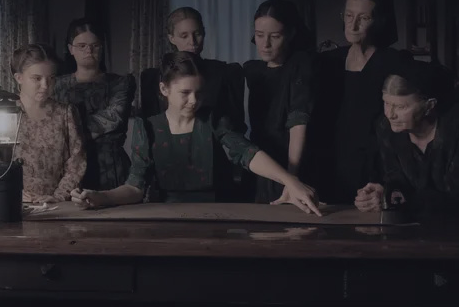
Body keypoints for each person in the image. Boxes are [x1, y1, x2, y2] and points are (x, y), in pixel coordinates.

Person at [71, 51, 320, 216]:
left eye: (199, 92)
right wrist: (100, 197)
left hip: (216, 214)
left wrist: (291, 181)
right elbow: (135, 188)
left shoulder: (213, 120)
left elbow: (246, 153)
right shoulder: (148, 127)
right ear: (163, 89)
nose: (194, 100)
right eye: (185, 93)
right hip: (166, 216)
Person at [306, 0, 409, 204]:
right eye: (349, 15)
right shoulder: (327, 62)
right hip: (328, 165)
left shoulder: (394, 62)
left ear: (379, 20)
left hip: (373, 169)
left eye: (363, 18)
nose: (352, 25)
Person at [0, 44, 86, 203]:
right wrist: (10, 191)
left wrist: (57, 197)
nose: (45, 86)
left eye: (51, 78)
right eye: (37, 78)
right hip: (7, 201)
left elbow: (76, 163)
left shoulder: (65, 114)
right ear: (19, 78)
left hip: (55, 206)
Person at [354, 60, 459, 215]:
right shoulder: (386, 128)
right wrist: (384, 193)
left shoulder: (453, 130)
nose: (390, 114)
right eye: (387, 103)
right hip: (414, 228)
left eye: (401, 107)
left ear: (430, 105)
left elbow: (453, 198)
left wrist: (401, 201)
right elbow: (394, 177)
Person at [243, 0, 315, 204]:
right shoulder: (252, 70)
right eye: (259, 35)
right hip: (259, 163)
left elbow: (298, 122)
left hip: (293, 161)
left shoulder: (301, 65)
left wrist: (291, 179)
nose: (265, 44)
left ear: (290, 34)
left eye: (275, 36)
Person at [54, 18, 135, 190]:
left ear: (102, 47)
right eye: (81, 46)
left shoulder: (121, 83)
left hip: (111, 165)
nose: (89, 50)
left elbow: (114, 118)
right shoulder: (56, 86)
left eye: (95, 45)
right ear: (71, 49)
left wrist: (70, 132)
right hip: (69, 167)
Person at [139, 7, 245, 132]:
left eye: (197, 34)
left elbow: (236, 125)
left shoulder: (224, 73)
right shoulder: (153, 78)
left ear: (204, 33)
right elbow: (149, 126)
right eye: (184, 36)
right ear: (171, 38)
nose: (192, 42)